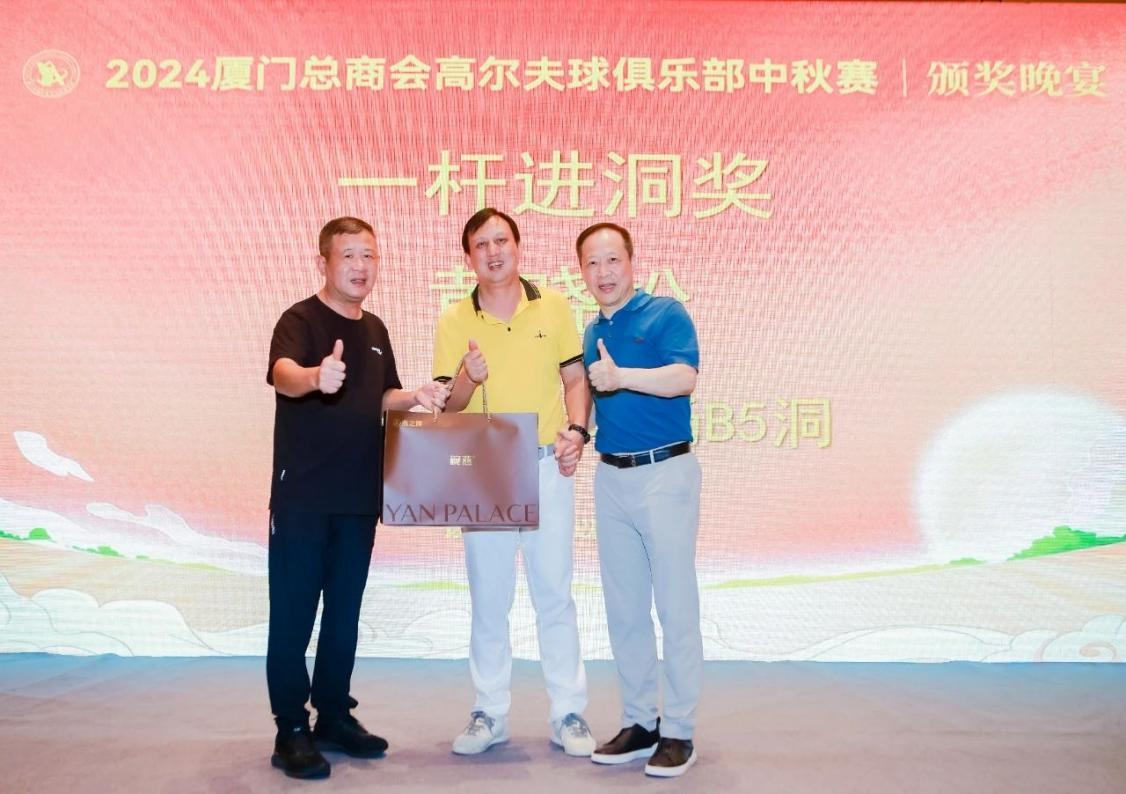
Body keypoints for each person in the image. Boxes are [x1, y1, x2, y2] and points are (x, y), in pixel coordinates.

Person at [266, 216, 447, 779]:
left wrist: (414, 395)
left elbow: (380, 395)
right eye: (348, 255)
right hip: (303, 496)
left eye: (369, 254)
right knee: (294, 613)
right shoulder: (299, 320)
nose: (360, 266)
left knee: (344, 613)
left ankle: (334, 717)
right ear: (323, 261)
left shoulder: (375, 328)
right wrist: (314, 377)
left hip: (359, 496)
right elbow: (283, 373)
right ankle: (291, 729)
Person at [433, 208, 596, 757]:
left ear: (518, 246)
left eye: (501, 240)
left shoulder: (552, 305)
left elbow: (574, 378)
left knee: (555, 595)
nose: (493, 252)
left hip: (547, 464)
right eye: (481, 245)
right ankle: (490, 712)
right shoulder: (455, 318)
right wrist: (467, 376)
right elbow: (448, 407)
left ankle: (569, 712)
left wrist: (577, 430)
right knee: (489, 599)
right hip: (486, 470)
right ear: (468, 257)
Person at [576, 222, 703, 778]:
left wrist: (621, 375)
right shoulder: (590, 331)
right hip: (612, 476)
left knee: (675, 606)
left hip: (665, 472)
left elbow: (683, 378)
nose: (603, 273)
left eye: (612, 260)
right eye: (592, 263)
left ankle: (679, 729)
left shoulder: (665, 313)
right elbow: (594, 397)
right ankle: (639, 721)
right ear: (582, 272)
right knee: (624, 607)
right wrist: (575, 432)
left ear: (631, 262)